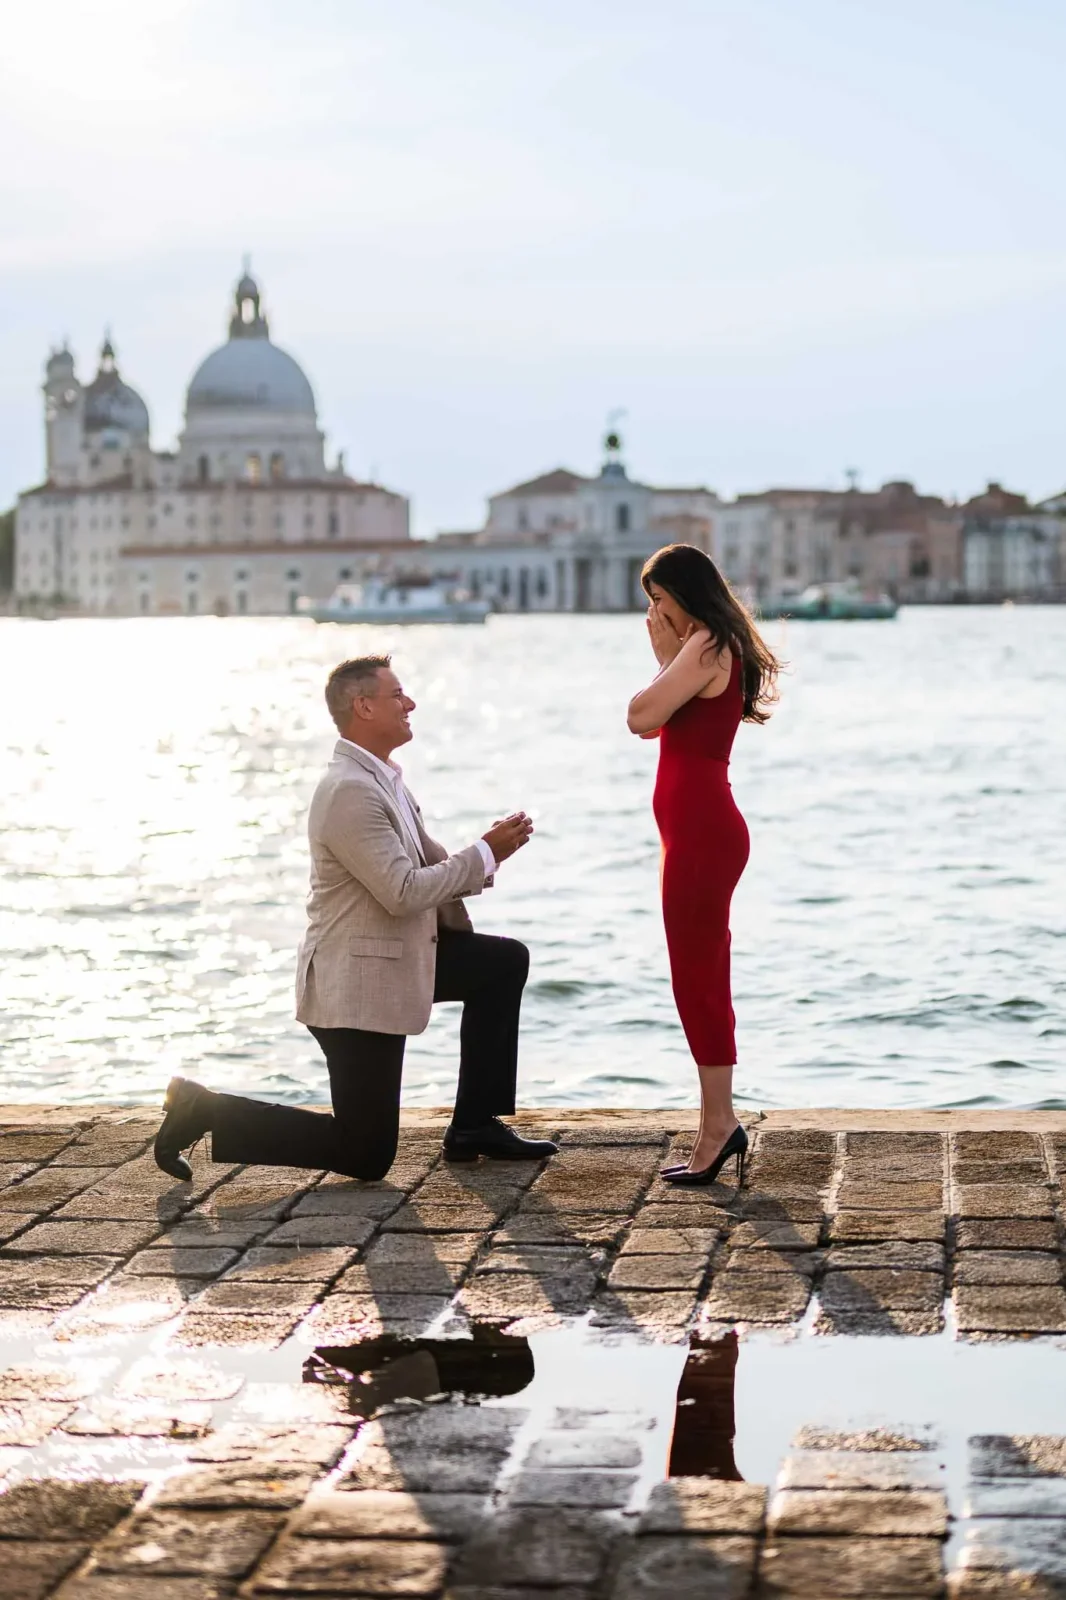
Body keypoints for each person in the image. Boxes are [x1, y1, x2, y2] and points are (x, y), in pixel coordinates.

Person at [154, 654, 557, 1183]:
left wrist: (488, 854)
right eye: (397, 696)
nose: (410, 704)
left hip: (396, 955)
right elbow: (402, 892)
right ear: (363, 706)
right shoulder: (349, 791)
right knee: (365, 1154)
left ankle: (475, 1125)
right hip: (356, 985)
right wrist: (483, 852)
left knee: (501, 963)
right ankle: (202, 1108)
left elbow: (433, 864)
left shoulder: (383, 779)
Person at [627, 545, 780, 1186]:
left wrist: (665, 660)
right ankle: (718, 1120)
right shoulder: (708, 647)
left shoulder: (708, 644)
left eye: (659, 600)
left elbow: (640, 715)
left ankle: (718, 1126)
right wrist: (669, 662)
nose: (655, 614)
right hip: (695, 833)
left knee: (698, 977)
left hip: (702, 835)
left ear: (686, 594)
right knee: (698, 973)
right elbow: (660, 726)